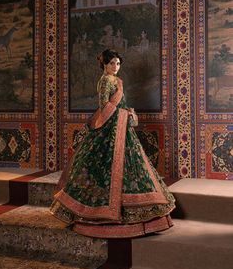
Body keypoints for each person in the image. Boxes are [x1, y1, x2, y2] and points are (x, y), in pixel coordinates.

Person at [50, 49, 175, 238]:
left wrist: (128, 112)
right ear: (104, 65)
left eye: (117, 63)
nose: (115, 67)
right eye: (111, 64)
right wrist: (125, 114)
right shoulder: (106, 80)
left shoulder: (115, 80)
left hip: (121, 127)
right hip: (111, 129)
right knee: (108, 166)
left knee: (127, 165)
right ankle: (105, 213)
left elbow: (118, 105)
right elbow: (105, 107)